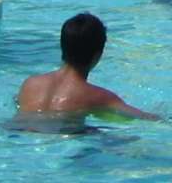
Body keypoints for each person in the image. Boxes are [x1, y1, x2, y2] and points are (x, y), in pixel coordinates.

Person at [16, 12, 157, 120]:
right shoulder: (98, 97)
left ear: (62, 46)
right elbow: (143, 118)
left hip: (18, 131)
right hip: (66, 137)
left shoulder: (29, 84)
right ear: (98, 55)